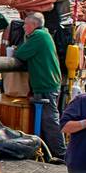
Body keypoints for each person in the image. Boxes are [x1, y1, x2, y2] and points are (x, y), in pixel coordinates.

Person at [13, 11, 64, 158]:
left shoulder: (38, 36)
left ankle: (61, 154)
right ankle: (51, 152)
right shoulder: (45, 34)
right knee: (48, 120)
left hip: (45, 85)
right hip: (49, 83)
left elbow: (21, 53)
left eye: (26, 25)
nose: (23, 28)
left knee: (50, 121)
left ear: (34, 25)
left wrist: (18, 48)